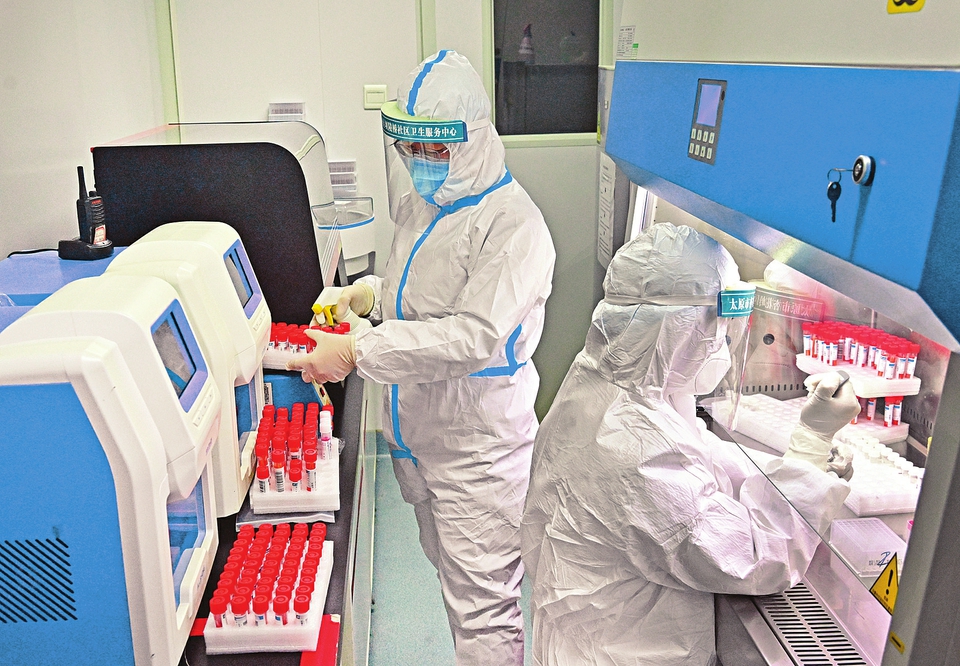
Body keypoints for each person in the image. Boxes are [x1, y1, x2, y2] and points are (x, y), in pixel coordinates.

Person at [288, 50, 556, 665]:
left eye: (436, 148)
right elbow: (424, 295)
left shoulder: (515, 227)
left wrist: (356, 348)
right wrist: (368, 294)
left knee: (484, 611)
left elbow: (471, 336)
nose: (421, 161)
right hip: (420, 437)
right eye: (411, 147)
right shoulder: (422, 202)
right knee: (451, 580)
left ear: (474, 139)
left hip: (478, 454)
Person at [520, 223, 859, 666]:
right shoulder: (637, 451)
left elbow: (697, 456)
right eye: (717, 331)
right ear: (680, 331)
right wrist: (811, 443)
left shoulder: (609, 382)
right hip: (620, 654)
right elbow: (757, 558)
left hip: (587, 637)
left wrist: (802, 468)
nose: (721, 346)